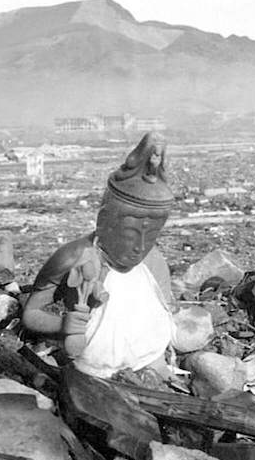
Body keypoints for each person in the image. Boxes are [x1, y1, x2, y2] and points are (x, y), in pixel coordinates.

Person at [22, 132, 176, 379]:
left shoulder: (153, 261)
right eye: (130, 234)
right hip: (92, 363)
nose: (140, 247)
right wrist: (64, 325)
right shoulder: (74, 256)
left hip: (148, 356)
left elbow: (163, 314)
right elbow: (31, 314)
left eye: (150, 236)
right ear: (104, 220)